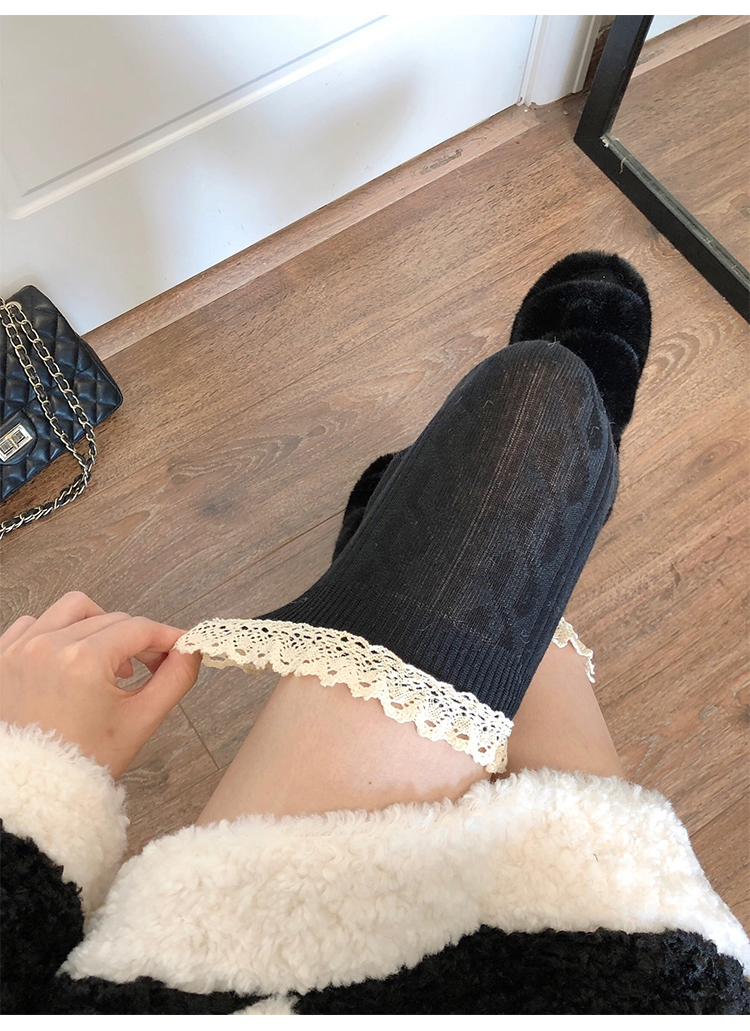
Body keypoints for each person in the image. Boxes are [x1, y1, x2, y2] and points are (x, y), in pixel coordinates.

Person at [1, 253, 748, 1015]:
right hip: (625, 987)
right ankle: (541, 505)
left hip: (233, 977)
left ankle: (509, 522)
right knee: (541, 411)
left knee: (512, 526)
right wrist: (29, 781)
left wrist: (27, 797)